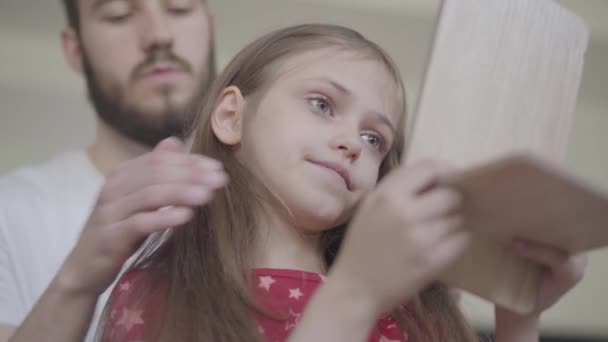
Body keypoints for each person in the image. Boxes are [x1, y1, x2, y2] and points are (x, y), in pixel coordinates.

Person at [10, 23, 587, 342]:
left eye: (374, 140)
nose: (350, 143)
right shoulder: (157, 296)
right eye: (321, 104)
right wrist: (355, 295)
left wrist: (520, 319)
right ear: (231, 115)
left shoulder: (415, 308)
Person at [0, 0, 215, 341]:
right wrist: (76, 284)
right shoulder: (9, 213)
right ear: (75, 49)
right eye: (119, 15)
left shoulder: (284, 193)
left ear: (210, 24)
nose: (158, 36)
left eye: (180, 8)